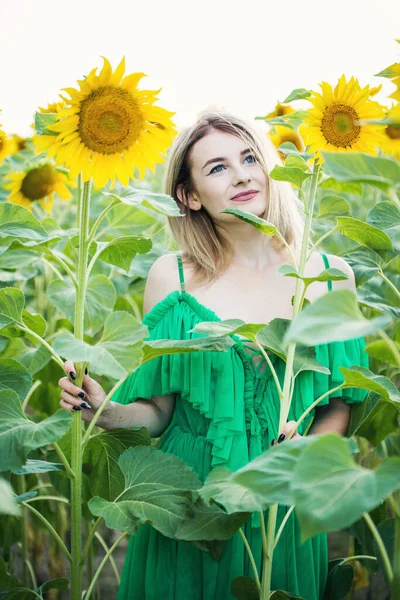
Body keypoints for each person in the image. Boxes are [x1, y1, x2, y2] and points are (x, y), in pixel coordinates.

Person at [58, 110, 369, 600]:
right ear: (189, 195)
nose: (242, 174)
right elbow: (161, 411)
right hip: (191, 497)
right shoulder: (172, 278)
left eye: (250, 157)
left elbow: (338, 404)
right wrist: (106, 410)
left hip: (278, 496)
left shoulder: (329, 273)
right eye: (218, 167)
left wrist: (305, 452)